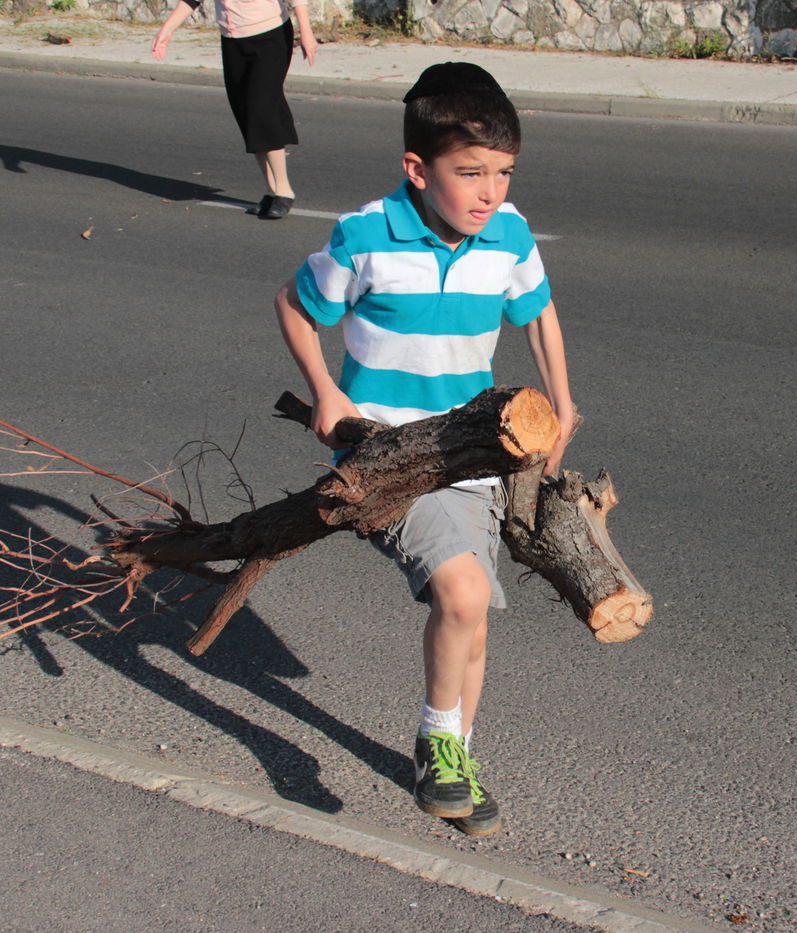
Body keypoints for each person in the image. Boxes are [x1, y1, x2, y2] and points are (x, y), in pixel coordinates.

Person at [273, 62, 572, 836]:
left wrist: (562, 403)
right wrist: (327, 395)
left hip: (472, 453)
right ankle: (439, 744)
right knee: (464, 596)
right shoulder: (367, 234)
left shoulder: (506, 235)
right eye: (469, 173)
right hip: (388, 457)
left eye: (502, 173)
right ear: (417, 168)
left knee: (471, 619)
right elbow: (296, 304)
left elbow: (537, 312)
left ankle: (455, 763)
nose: (490, 193)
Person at [151, 0, 316, 219]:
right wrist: (167, 30)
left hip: (270, 35)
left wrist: (306, 32)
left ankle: (284, 190)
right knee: (246, 111)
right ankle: (272, 190)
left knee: (263, 109)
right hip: (232, 40)